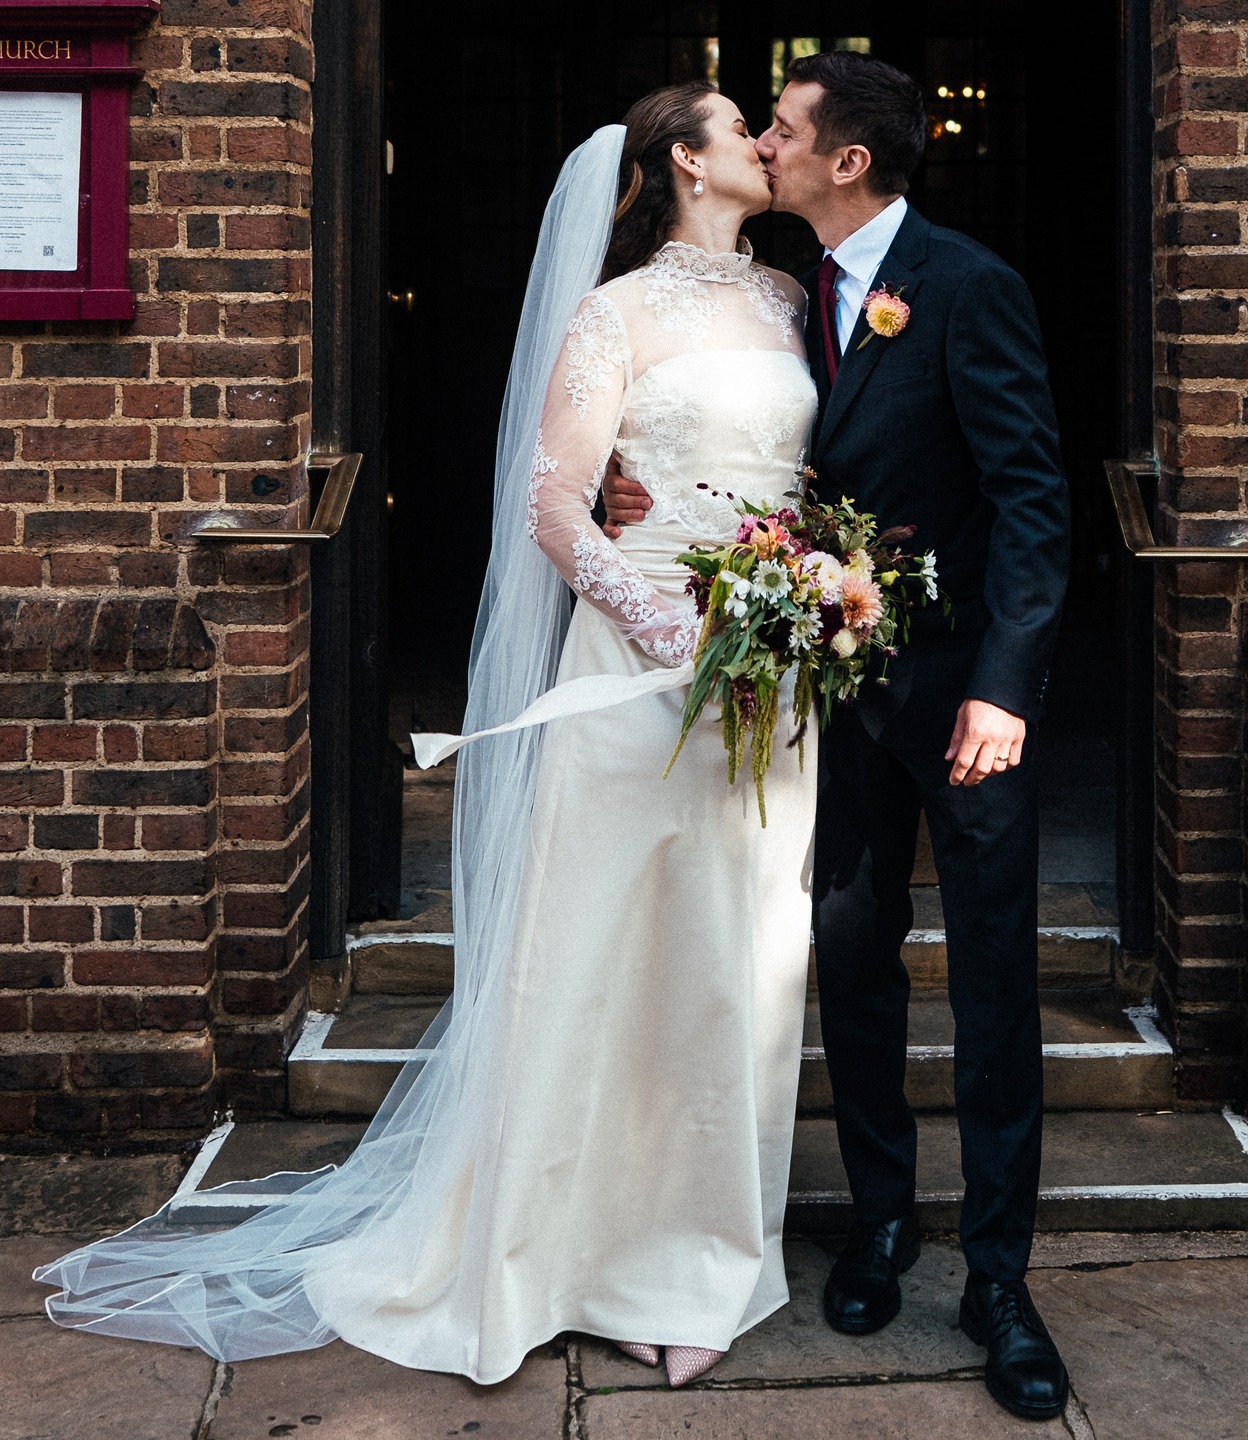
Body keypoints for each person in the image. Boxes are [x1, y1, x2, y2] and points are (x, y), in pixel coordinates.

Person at [36, 84, 819, 1389]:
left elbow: (793, 485)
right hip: (636, 673)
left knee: (735, 966)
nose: (763, 143)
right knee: (614, 957)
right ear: (686, 158)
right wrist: (663, 626)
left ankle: (699, 1252)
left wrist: (798, 607)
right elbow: (558, 505)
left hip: (768, 678)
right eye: (742, 124)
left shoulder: (791, 303)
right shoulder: (612, 314)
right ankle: (578, 1257)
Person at [604, 52, 1073, 1422]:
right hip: (833, 702)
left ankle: (1001, 1279)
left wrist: (1008, 689)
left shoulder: (971, 286)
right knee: (855, 961)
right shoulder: (775, 295)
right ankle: (880, 1224)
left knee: (991, 983)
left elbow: (1035, 503)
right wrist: (648, 479)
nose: (767, 141)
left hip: (969, 706)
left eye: (786, 128)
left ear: (846, 161)